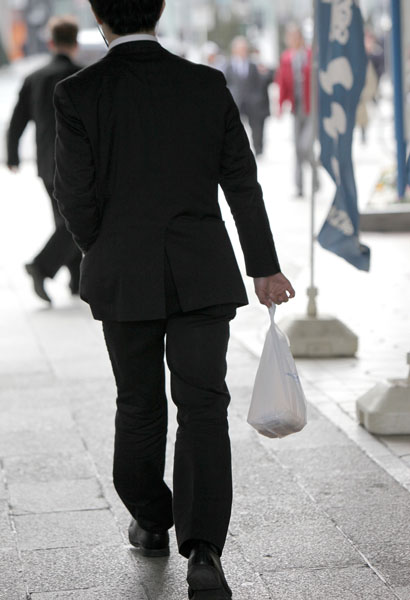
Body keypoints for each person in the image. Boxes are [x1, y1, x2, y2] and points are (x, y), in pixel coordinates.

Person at [53, 1, 295, 598]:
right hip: (202, 271)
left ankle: (152, 516)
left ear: (99, 17)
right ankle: (204, 551)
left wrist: (105, 248)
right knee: (204, 406)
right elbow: (242, 183)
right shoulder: (206, 84)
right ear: (159, 12)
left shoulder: (78, 93)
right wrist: (263, 267)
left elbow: (74, 196)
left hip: (123, 275)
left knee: (138, 404)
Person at [7, 16, 82, 303]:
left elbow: (17, 119)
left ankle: (76, 280)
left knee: (64, 219)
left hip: (47, 163)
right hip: (76, 163)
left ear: (51, 42)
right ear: (75, 43)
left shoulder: (35, 78)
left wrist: (12, 154)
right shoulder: (82, 75)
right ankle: (42, 266)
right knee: (75, 221)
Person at [275, 24, 317, 197]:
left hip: (311, 108)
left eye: (295, 36)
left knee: (305, 146)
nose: (292, 40)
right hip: (296, 107)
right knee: (297, 149)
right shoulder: (286, 58)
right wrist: (280, 105)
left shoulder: (311, 55)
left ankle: (315, 176)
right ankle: (299, 187)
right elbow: (282, 83)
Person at [225, 36, 273, 156]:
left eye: (245, 49)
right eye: (240, 49)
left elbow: (264, 80)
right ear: (234, 50)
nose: (243, 51)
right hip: (236, 102)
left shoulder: (255, 65)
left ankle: (258, 149)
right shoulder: (228, 67)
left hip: (253, 103)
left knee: (257, 128)